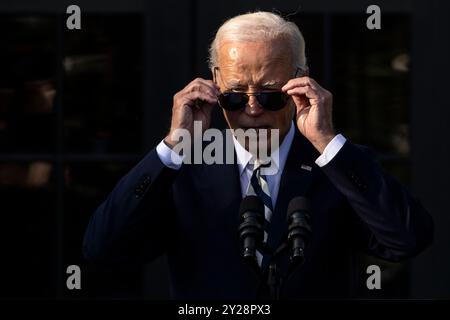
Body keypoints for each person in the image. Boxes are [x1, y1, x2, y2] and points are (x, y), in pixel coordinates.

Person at [83, 11, 433, 299]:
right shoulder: (184, 168)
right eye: (234, 95)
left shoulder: (337, 164)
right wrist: (174, 146)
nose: (251, 109)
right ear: (214, 84)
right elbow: (103, 249)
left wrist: (327, 141)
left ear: (300, 83)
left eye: (269, 95)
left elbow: (407, 239)